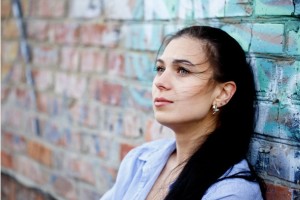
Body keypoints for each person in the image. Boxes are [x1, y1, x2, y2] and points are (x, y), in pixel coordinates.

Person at [101, 26, 265, 200]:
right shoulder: (138, 160)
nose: (160, 82)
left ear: (223, 93)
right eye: (160, 69)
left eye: (183, 70)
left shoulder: (231, 191)